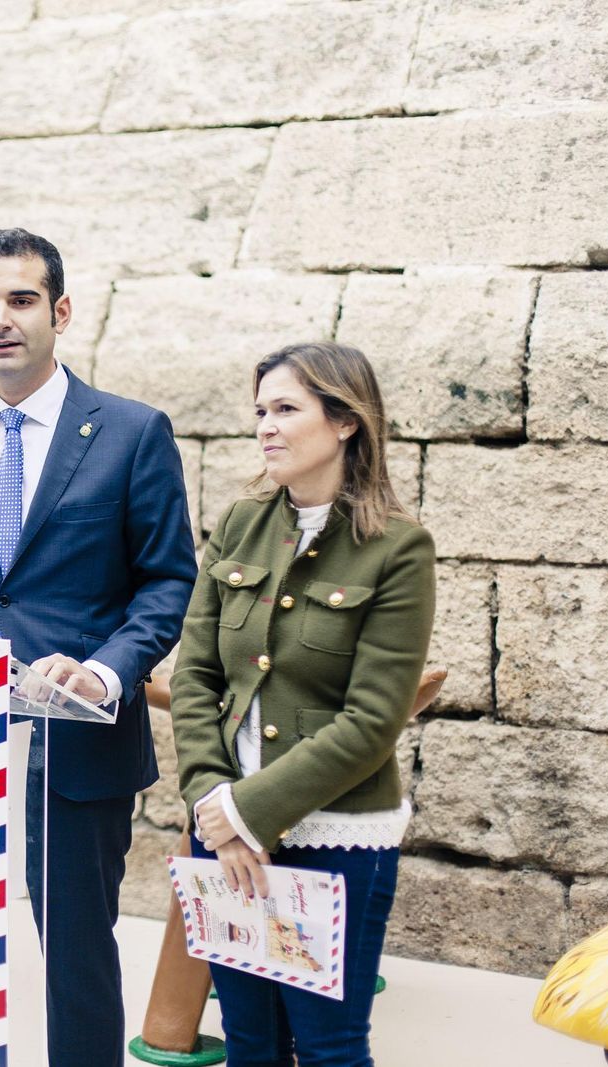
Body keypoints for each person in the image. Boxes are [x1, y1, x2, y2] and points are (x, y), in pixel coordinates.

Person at [0, 228, 198, 1065]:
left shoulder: (130, 433)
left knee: (74, 951)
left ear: (59, 311)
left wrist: (105, 670)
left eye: (20, 300)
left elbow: (166, 582)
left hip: (73, 739)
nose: (1, 320)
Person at [170, 341, 436, 1066]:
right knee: (251, 1045)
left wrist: (251, 809)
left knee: (328, 1048)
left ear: (346, 420)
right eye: (260, 410)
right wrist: (213, 802)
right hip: (223, 830)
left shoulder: (397, 549)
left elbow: (375, 719)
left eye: (286, 408)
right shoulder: (238, 524)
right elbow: (195, 675)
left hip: (337, 836)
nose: (266, 426)